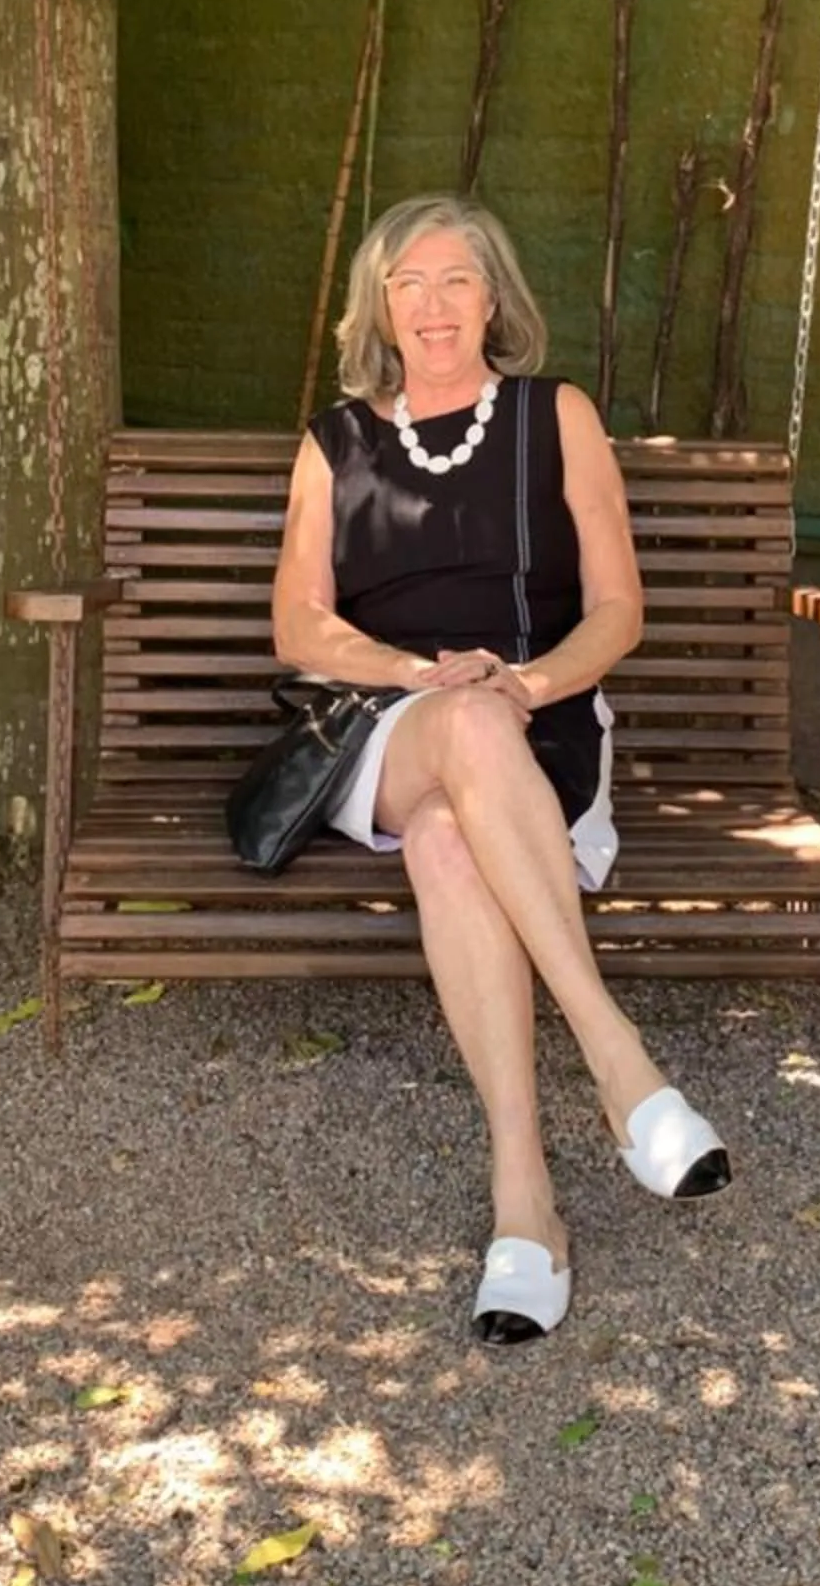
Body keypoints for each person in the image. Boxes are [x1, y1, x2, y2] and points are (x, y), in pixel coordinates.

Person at [271, 193, 731, 1345]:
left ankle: (524, 1200)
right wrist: (429, 675)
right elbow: (300, 628)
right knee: (463, 731)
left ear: (494, 298)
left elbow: (619, 609)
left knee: (448, 838)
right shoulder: (335, 443)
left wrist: (526, 683)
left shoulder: (552, 417)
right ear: (382, 306)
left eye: (456, 281)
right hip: (380, 721)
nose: (433, 306)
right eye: (409, 284)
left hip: (540, 723)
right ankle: (620, 1064)